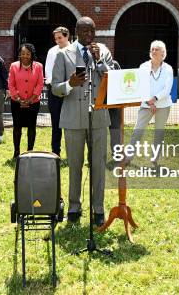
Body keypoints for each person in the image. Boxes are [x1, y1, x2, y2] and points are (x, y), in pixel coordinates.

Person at [52, 16, 114, 227]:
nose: (89, 36)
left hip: (98, 117)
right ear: (76, 31)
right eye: (85, 32)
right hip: (72, 118)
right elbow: (55, 88)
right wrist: (70, 83)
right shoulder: (63, 55)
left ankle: (98, 208)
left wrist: (99, 62)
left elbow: (112, 79)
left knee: (98, 165)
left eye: (92, 32)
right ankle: (74, 206)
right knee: (75, 165)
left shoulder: (103, 52)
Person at [126, 40, 174, 168]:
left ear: (163, 52)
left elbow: (167, 88)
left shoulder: (168, 68)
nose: (153, 51)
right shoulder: (143, 66)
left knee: (159, 132)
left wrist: (155, 99)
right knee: (137, 130)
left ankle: (154, 159)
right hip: (146, 104)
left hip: (163, 105)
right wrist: (150, 102)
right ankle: (128, 157)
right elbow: (140, 85)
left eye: (156, 49)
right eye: (152, 49)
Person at [8, 43, 44, 159]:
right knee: (17, 127)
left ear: (32, 54)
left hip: (33, 102)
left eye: (28, 54)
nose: (25, 56)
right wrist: (19, 99)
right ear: (19, 54)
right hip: (17, 103)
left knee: (31, 127)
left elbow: (40, 84)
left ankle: (30, 151)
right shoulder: (13, 66)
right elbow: (11, 84)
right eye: (22, 53)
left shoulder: (38, 66)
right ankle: (16, 152)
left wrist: (31, 99)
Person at [44, 26, 70, 156]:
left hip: (71, 91)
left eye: (60, 38)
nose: (57, 41)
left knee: (71, 124)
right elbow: (48, 71)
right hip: (54, 91)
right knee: (56, 123)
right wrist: (54, 86)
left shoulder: (74, 50)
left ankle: (72, 153)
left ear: (67, 36)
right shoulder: (52, 51)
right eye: (55, 38)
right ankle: (56, 152)